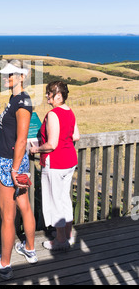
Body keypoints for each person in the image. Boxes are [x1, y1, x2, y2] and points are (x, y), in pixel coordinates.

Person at [0, 60, 37, 280]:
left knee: (8, 215)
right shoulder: (15, 99)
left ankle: (4, 265)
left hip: (10, 163)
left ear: (22, 76)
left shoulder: (23, 103)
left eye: (12, 75)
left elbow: (22, 139)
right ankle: (30, 250)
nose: (6, 78)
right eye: (6, 75)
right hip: (17, 162)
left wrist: (14, 170)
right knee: (24, 206)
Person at [30, 81, 80, 251]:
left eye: (49, 93)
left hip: (56, 162)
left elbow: (51, 144)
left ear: (58, 95)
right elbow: (76, 136)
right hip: (70, 161)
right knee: (64, 198)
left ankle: (60, 240)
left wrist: (36, 149)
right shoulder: (69, 111)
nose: (46, 96)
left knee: (55, 200)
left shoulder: (53, 114)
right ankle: (68, 235)